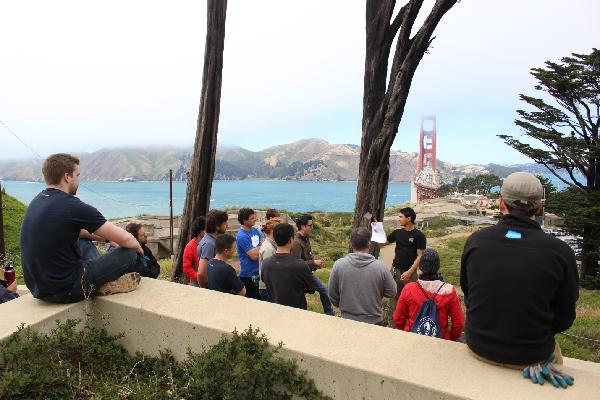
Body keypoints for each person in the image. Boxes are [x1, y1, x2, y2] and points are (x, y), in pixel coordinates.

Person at [460, 172, 578, 388]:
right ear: (540, 207)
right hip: (532, 355)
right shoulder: (561, 252)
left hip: (478, 346)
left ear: (501, 203)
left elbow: (469, 295)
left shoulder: (475, 242)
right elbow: (565, 318)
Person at [20, 153, 146, 303]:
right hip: (66, 289)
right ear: (67, 177)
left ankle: (100, 281)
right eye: (77, 175)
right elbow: (126, 239)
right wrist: (139, 249)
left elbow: (78, 231)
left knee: (83, 240)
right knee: (129, 253)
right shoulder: (73, 205)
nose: (78, 180)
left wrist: (107, 238)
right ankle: (102, 283)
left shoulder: (38, 201)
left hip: (38, 288)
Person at [328, 227, 397, 325]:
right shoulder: (380, 267)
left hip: (347, 320)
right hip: (374, 322)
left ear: (351, 244)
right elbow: (392, 292)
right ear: (369, 245)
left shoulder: (339, 265)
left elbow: (332, 294)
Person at [393, 248, 464, 340]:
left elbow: (398, 318)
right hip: (440, 340)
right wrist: (451, 338)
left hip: (412, 338)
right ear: (438, 266)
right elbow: (459, 322)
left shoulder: (409, 289)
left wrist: (406, 332)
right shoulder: (449, 291)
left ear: (420, 267)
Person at [261, 223, 316, 309]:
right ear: (291, 239)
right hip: (297, 313)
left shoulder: (265, 264)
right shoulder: (301, 265)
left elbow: (266, 282)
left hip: (275, 311)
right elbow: (312, 289)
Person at [291, 214, 335, 315]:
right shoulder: (297, 242)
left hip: (307, 274)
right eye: (310, 226)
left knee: (323, 290)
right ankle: (329, 314)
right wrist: (313, 263)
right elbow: (296, 264)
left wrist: (314, 265)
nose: (312, 228)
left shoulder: (305, 238)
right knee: (324, 290)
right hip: (302, 276)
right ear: (302, 226)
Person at [381, 207, 426, 299]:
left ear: (408, 219)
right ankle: (393, 314)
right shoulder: (397, 233)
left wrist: (409, 272)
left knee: (411, 299)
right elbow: (382, 243)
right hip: (395, 271)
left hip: (410, 273)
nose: (399, 219)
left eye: (401, 217)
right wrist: (376, 227)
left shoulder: (419, 235)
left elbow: (420, 256)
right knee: (394, 298)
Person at [197, 209, 229, 287]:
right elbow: (201, 273)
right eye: (224, 223)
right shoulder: (209, 244)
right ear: (217, 226)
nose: (227, 226)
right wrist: (206, 290)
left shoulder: (209, 239)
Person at [236, 208, 262, 300]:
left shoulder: (255, 230)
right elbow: (254, 256)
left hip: (258, 271)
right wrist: (260, 248)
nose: (254, 219)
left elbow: (264, 242)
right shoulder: (242, 236)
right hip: (248, 275)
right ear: (244, 220)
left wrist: (255, 249)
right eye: (251, 218)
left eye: (254, 217)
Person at [258, 217, 281, 301]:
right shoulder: (268, 248)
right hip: (268, 288)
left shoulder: (270, 245)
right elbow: (269, 274)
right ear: (272, 231)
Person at [182, 217, 206, 286]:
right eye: (205, 229)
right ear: (199, 230)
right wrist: (198, 277)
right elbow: (186, 268)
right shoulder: (190, 246)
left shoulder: (208, 243)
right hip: (196, 283)